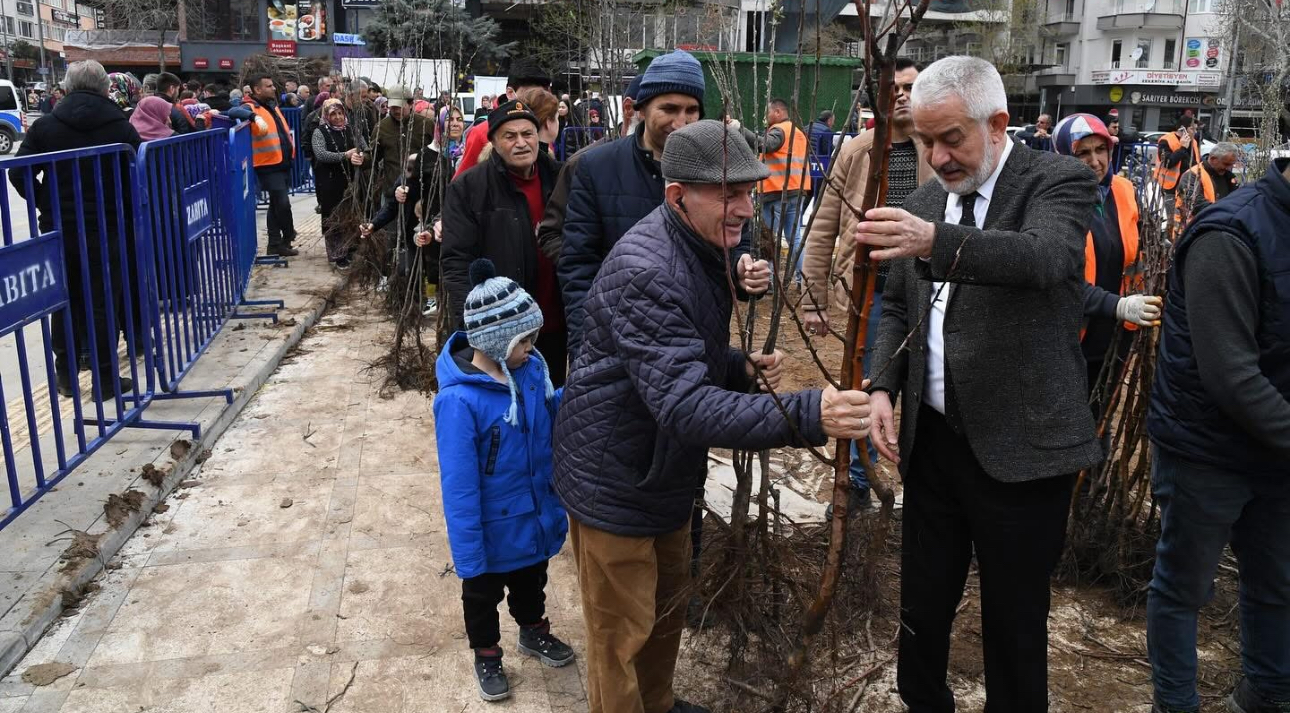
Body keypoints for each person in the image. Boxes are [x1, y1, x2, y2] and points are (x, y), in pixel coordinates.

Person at [552, 120, 873, 713]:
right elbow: (684, 406)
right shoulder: (649, 269)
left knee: (666, 612)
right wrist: (808, 412)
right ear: (679, 197)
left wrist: (736, 367)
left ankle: (658, 703)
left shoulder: (699, 249)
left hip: (661, 474)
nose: (747, 209)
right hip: (616, 478)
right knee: (618, 639)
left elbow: (673, 354)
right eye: (730, 194)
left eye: (750, 191)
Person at [859, 56, 1101, 713]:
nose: (936, 157)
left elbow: (1042, 257)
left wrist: (936, 239)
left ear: (997, 124)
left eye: (951, 139)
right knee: (923, 607)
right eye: (924, 140)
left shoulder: (1058, 181)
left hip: (1022, 451)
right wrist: (882, 385)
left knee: (1014, 622)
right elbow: (899, 307)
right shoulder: (924, 202)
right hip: (933, 442)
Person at [1144, 156, 1290, 713]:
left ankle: (1269, 694)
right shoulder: (1230, 234)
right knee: (1185, 587)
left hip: (1277, 451)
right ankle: (1176, 705)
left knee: (1276, 581)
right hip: (1206, 452)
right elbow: (1231, 375)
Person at [560, 50, 764, 360]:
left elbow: (738, 237)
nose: (681, 122)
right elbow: (578, 267)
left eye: (692, 110)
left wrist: (740, 268)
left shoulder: (719, 168)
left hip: (698, 340)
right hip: (618, 344)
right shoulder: (597, 168)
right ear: (641, 109)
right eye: (668, 109)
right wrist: (584, 348)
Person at [434, 259, 576, 702]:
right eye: (524, 340)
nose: (533, 348)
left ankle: (533, 630)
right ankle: (487, 652)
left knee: (533, 578)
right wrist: (468, 551)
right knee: (482, 594)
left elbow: (549, 414)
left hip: (531, 512)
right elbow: (459, 486)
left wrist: (580, 391)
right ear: (496, 341)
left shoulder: (530, 372)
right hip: (490, 527)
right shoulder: (459, 402)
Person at [800, 57, 930, 517]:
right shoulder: (857, 151)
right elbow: (822, 228)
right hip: (869, 297)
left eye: (910, 86)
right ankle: (859, 481)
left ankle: (925, 484)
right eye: (891, 87)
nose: (899, 94)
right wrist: (814, 299)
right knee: (865, 387)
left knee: (927, 389)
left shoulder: (939, 151)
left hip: (929, 295)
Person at [13, 60, 142, 398]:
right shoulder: (122, 127)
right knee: (103, 302)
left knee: (63, 299)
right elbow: (136, 176)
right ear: (104, 88)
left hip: (61, 228)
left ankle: (67, 376)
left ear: (66, 87)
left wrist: (46, 201)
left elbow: (18, 172)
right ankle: (106, 380)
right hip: (108, 226)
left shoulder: (45, 127)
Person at [441, 96, 569, 385]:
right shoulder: (469, 188)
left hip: (554, 324)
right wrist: (473, 329)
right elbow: (457, 261)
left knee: (548, 407)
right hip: (502, 330)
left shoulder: (560, 178)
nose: (521, 143)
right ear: (494, 142)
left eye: (528, 134)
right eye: (510, 136)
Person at [1050, 113, 1162, 420]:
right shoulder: (1051, 202)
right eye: (1082, 153)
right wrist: (1118, 305)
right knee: (1067, 425)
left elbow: (1138, 254)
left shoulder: (1124, 190)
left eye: (1101, 150)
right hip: (1069, 337)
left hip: (1117, 333)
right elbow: (1061, 280)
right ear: (1061, 155)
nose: (1095, 161)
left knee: (1100, 418)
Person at [228, 73, 298, 258]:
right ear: (257, 89)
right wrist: (252, 117)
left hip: (281, 161)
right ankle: (289, 233)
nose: (273, 88)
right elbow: (233, 112)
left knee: (276, 204)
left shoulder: (271, 107)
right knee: (282, 203)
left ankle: (276, 244)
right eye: (269, 86)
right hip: (267, 164)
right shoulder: (250, 106)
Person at [456, 59, 551, 177]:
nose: (536, 101)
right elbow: (461, 185)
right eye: (530, 95)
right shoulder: (482, 132)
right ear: (510, 93)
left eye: (541, 96)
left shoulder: (543, 128)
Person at [759, 97, 813, 283]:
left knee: (769, 240)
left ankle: (769, 281)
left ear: (778, 112)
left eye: (768, 112)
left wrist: (739, 130)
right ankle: (804, 279)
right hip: (795, 192)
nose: (766, 117)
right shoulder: (798, 132)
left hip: (775, 193)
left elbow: (766, 146)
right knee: (794, 239)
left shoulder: (779, 131)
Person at [312, 99, 366, 268]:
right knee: (333, 215)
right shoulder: (320, 132)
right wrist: (344, 155)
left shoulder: (351, 130)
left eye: (340, 113)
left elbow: (365, 147)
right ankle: (337, 254)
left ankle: (350, 249)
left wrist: (361, 156)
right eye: (333, 114)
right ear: (326, 115)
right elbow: (321, 154)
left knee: (350, 215)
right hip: (329, 180)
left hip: (350, 180)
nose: (337, 117)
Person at [368, 86, 434, 201]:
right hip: (391, 191)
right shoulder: (381, 127)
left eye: (400, 106)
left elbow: (436, 155)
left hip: (420, 192)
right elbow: (373, 156)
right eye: (393, 107)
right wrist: (361, 158)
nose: (397, 110)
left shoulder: (426, 125)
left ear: (411, 104)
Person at [1174, 141, 1241, 228]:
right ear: (1213, 159)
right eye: (1226, 164)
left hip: (1215, 228)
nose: (1229, 168)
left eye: (1231, 165)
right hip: (1192, 229)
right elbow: (1195, 203)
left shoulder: (1229, 178)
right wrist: (1224, 212)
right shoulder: (1192, 175)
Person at [1156, 115, 1201, 227]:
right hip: (1170, 187)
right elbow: (1168, 163)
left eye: (1196, 129)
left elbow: (1194, 162)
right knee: (1170, 219)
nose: (1195, 132)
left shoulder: (1194, 142)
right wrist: (1182, 148)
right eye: (1192, 129)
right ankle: (1169, 240)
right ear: (1182, 129)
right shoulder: (1166, 140)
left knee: (1184, 219)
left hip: (1187, 187)